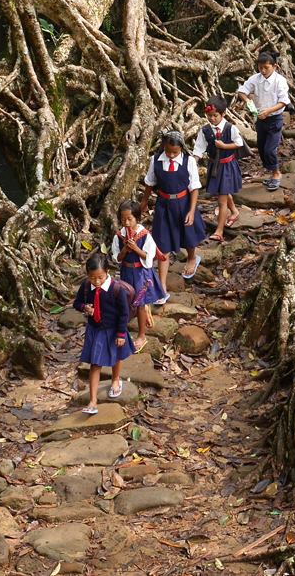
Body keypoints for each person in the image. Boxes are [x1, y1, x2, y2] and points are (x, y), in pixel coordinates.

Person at [140, 129, 208, 281]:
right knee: (162, 241)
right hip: (163, 204)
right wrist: (144, 201)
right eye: (168, 151)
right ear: (164, 146)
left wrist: (191, 211)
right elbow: (150, 183)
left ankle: (192, 258)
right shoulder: (156, 160)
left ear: (181, 148)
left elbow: (194, 187)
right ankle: (162, 287)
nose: (171, 155)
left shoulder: (188, 161)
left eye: (175, 152)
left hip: (183, 203)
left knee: (188, 234)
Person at [71, 254, 135, 414]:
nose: (97, 282)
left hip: (114, 329)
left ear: (107, 271)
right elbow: (77, 303)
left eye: (100, 277)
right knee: (95, 363)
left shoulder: (116, 289)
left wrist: (121, 334)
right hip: (96, 329)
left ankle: (115, 380)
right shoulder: (86, 286)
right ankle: (93, 402)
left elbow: (123, 313)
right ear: (87, 275)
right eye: (93, 278)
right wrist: (85, 307)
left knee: (116, 356)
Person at [111, 200, 167, 351]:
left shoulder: (144, 235)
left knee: (140, 303)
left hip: (140, 273)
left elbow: (149, 259)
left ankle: (141, 335)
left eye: (130, 219)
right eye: (123, 219)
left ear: (137, 218)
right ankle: (123, 331)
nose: (126, 222)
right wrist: (125, 251)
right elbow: (116, 258)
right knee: (126, 300)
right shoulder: (119, 237)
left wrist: (135, 248)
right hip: (126, 272)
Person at [235, 51, 290, 190]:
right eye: (260, 68)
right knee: (261, 147)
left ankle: (277, 173)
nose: (263, 70)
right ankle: (271, 172)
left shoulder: (280, 81)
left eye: (266, 67)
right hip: (260, 119)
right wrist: (247, 100)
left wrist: (268, 111)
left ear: (275, 66)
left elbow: (284, 101)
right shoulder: (255, 79)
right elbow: (242, 91)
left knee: (270, 149)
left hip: (275, 118)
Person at [192, 96, 243, 242]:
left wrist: (225, 146)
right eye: (209, 116)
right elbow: (199, 149)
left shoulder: (230, 128)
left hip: (227, 166)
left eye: (215, 116)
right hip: (214, 165)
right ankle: (234, 210)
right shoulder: (205, 131)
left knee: (221, 200)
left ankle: (219, 231)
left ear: (223, 114)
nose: (212, 119)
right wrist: (193, 163)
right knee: (223, 191)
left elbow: (238, 143)